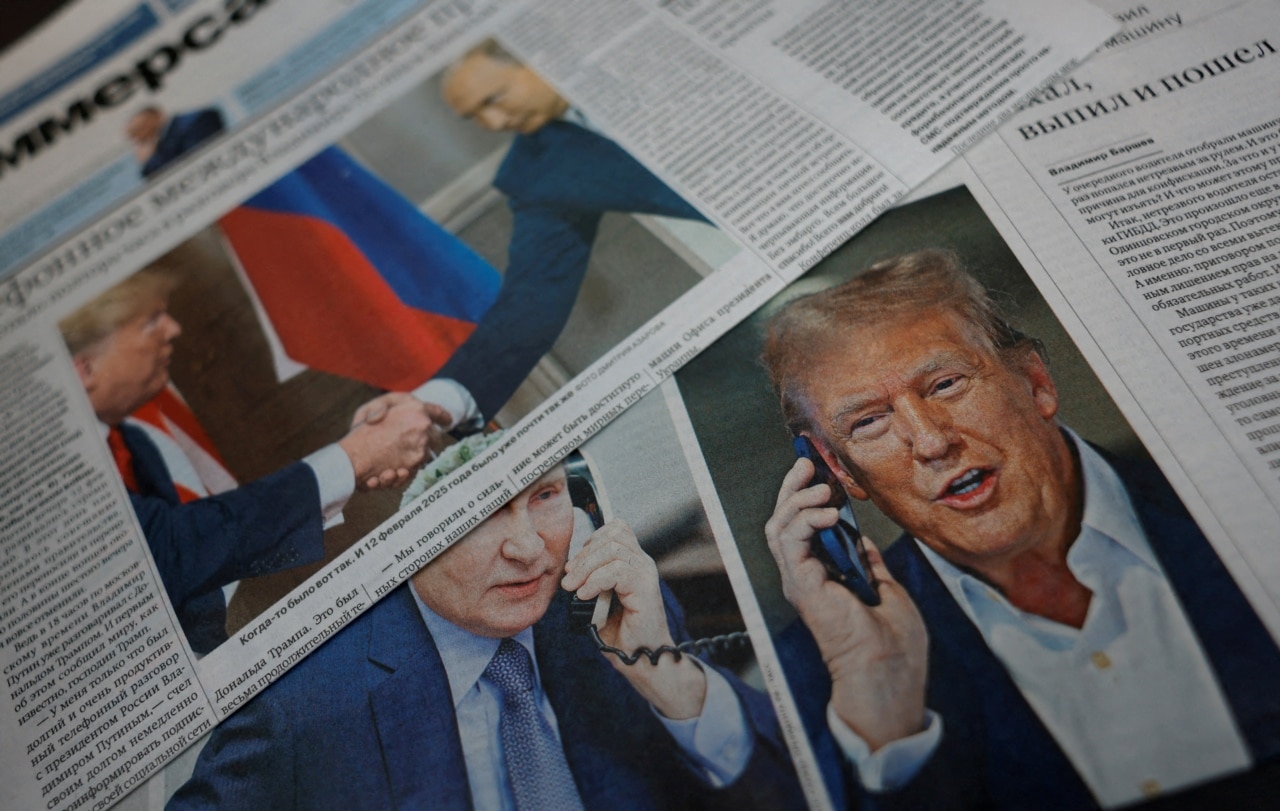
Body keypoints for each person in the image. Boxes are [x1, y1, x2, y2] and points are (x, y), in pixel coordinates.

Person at [760, 249, 1280, 808]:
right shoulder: (817, 675)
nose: (932, 442)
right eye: (868, 422)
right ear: (840, 471)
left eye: (945, 384)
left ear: (1035, 383)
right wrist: (887, 711)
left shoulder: (1244, 491)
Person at [168, 434, 802, 810]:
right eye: (479, 517)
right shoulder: (299, 702)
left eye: (544, 497)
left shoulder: (619, 614)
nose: (530, 550)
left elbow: (795, 787)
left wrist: (670, 679)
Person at [60, 266, 433, 654]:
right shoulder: (60, 477)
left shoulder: (133, 442)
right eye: (150, 321)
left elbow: (192, 574)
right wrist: (355, 457)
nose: (173, 328)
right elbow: (172, 551)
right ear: (83, 369)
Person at [354, 39, 708, 436]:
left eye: (494, 97)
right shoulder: (534, 175)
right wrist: (433, 404)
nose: (495, 123)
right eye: (476, 117)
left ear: (536, 54)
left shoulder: (638, 53)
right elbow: (531, 302)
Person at [126, 105, 225, 177]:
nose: (138, 137)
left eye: (137, 129)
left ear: (155, 116)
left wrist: (150, 161)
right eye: (133, 136)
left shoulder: (196, 121)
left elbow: (193, 164)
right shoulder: (161, 146)